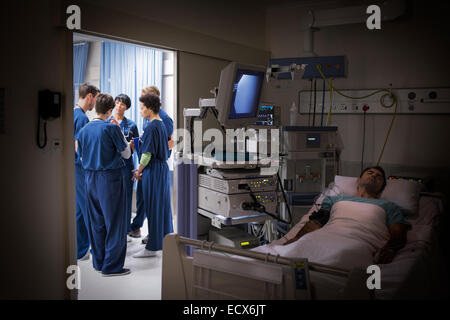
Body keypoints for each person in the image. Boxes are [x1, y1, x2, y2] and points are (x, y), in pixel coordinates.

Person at [283, 166, 411, 264]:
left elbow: (397, 231)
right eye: (370, 173)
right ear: (359, 180)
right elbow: (317, 221)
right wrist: (297, 238)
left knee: (347, 256)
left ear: (382, 187)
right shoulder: (335, 199)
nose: (373, 176)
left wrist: (390, 249)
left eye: (378, 177)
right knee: (300, 247)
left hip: (359, 242)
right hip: (324, 237)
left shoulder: (388, 206)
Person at [77, 94, 132, 276]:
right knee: (115, 222)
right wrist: (122, 138)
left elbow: (82, 155)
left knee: (97, 223)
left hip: (89, 179)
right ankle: (112, 267)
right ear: (109, 111)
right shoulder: (111, 128)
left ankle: (99, 263)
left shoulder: (84, 130)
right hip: (110, 180)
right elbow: (126, 154)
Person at [129, 86, 174, 243]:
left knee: (154, 206)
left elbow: (148, 153)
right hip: (158, 168)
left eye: (141, 108)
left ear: (150, 106)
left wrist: (139, 170)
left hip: (153, 168)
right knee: (160, 206)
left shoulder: (156, 124)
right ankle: (163, 240)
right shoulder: (158, 123)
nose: (140, 111)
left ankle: (154, 244)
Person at [73, 83, 99, 261]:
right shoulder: (81, 118)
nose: (95, 103)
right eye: (95, 98)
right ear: (89, 96)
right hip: (81, 169)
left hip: (75, 169)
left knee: (80, 211)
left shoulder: (74, 114)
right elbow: (78, 146)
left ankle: (80, 250)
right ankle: (92, 251)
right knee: (89, 210)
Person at [112, 94, 139, 236]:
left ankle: (126, 228)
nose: (118, 106)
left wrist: (130, 147)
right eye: (117, 103)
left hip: (127, 166)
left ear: (126, 107)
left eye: (122, 104)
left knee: (127, 196)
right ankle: (115, 228)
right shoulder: (108, 123)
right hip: (112, 165)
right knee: (113, 198)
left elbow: (136, 147)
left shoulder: (131, 125)